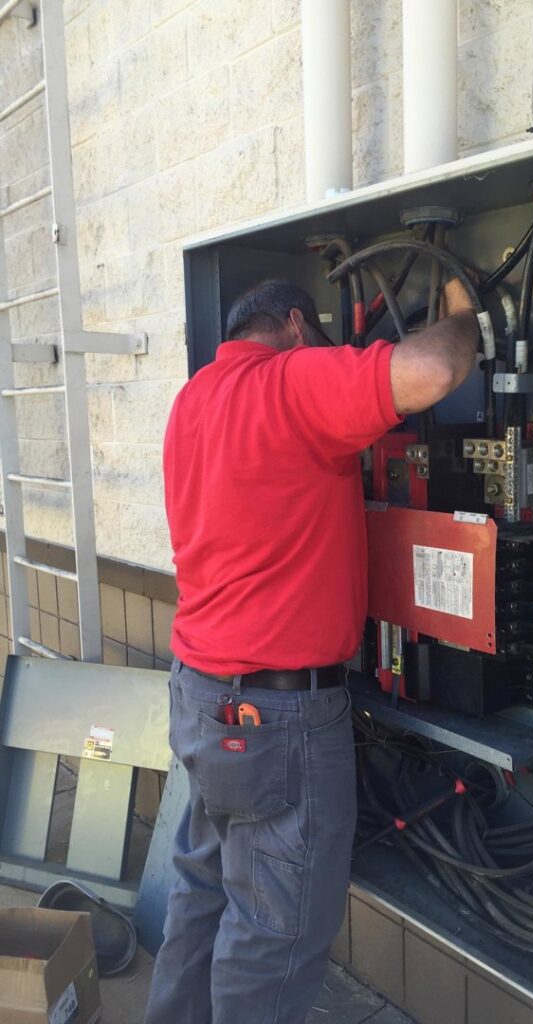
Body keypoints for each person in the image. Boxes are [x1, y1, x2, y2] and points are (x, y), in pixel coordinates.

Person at [144, 276, 480, 1024]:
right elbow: (435, 371)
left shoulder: (192, 399)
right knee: (273, 940)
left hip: (202, 699)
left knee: (201, 903)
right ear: (297, 326)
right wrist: (462, 316)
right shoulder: (291, 382)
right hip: (277, 723)